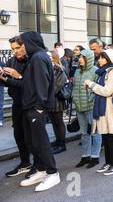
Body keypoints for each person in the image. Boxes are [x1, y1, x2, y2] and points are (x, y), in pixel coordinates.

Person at [19, 31, 60, 192]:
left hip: (36, 108)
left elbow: (42, 83)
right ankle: (42, 170)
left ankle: (52, 172)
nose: (22, 46)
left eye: (23, 43)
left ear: (30, 42)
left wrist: (39, 107)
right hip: (30, 107)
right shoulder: (35, 57)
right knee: (32, 141)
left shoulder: (38, 58)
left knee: (40, 142)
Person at [84, 49, 113, 176]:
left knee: (111, 136)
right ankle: (109, 162)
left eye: (102, 58)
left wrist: (91, 85)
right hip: (103, 107)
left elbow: (107, 91)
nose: (99, 60)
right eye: (100, 57)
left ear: (109, 59)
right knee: (106, 136)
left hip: (109, 108)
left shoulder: (112, 73)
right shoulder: (104, 72)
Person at [0, 36, 33, 177]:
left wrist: (17, 75)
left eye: (18, 48)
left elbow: (31, 85)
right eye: (13, 49)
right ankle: (25, 163)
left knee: (32, 137)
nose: (15, 51)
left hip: (31, 104)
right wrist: (3, 77)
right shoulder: (11, 60)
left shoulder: (33, 60)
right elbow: (8, 83)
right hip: (17, 103)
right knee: (18, 134)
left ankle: (39, 166)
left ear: (24, 46)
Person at [72, 49, 101, 169]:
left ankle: (95, 157)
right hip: (79, 107)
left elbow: (98, 88)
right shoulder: (77, 71)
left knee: (94, 132)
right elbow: (74, 86)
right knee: (84, 133)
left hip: (91, 107)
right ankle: (85, 156)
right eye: (79, 57)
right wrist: (73, 97)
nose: (80, 59)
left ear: (88, 59)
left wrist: (90, 98)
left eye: (82, 57)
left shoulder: (95, 71)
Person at [47, 51, 68, 155]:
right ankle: (58, 140)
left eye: (50, 56)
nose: (48, 58)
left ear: (54, 57)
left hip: (57, 100)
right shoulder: (47, 68)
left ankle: (62, 144)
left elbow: (58, 85)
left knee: (58, 121)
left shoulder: (59, 69)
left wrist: (47, 94)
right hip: (49, 100)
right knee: (54, 122)